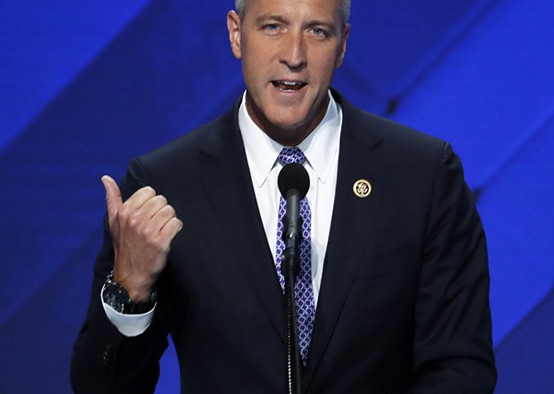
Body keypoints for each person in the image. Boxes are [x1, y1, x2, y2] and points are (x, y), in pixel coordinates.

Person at [71, 0, 497, 392]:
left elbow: (460, 365)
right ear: (236, 34)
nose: (294, 55)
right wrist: (130, 288)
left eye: (317, 32)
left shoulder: (421, 175)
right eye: (273, 26)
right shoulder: (165, 184)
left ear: (343, 44)